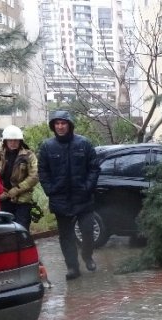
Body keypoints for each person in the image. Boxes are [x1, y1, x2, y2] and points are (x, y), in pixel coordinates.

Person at [38, 110, 100, 280]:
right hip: (60, 199)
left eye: (63, 123)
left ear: (70, 125)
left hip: (83, 198)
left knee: (87, 231)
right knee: (66, 236)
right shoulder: (47, 146)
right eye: (57, 123)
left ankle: (87, 256)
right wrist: (50, 189)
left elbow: (94, 168)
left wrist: (87, 187)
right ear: (53, 126)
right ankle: (73, 267)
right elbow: (42, 172)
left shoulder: (84, 144)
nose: (60, 126)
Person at [0, 125, 39, 230]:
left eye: (16, 140)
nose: (13, 143)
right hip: (2, 199)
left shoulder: (29, 156)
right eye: (10, 140)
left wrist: (17, 190)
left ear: (20, 141)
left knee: (21, 229)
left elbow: (34, 176)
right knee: (4, 230)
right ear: (5, 141)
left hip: (22, 200)